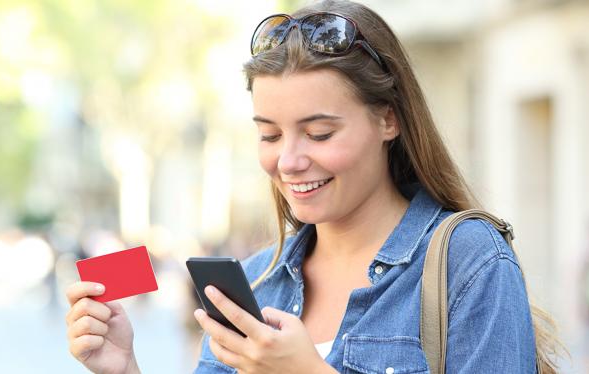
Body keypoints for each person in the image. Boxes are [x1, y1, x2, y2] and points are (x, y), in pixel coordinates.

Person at [65, 1, 557, 372]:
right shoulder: (255, 283)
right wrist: (123, 367)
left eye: (320, 133)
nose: (290, 161)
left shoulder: (469, 261)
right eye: (270, 135)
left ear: (388, 120)